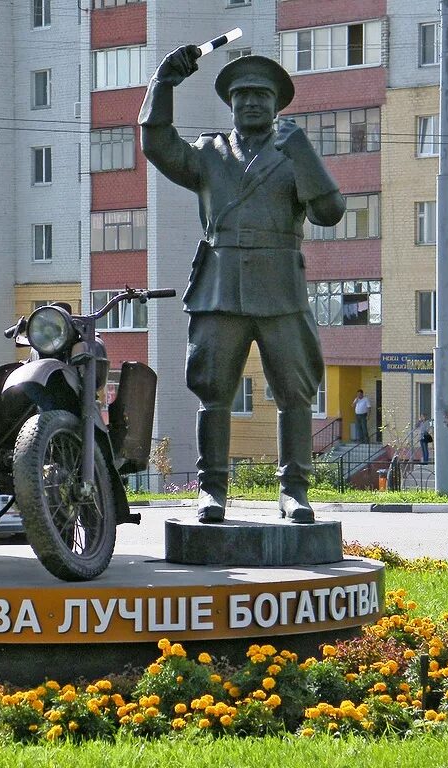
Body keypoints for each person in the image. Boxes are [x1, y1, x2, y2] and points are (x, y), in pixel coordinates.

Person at [139, 48, 345, 524]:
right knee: (213, 390)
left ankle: (295, 492)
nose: (251, 102)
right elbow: (157, 143)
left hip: (281, 290)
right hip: (220, 288)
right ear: (230, 104)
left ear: (277, 104)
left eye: (261, 95)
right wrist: (163, 84)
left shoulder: (293, 149)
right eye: (242, 95)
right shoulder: (210, 153)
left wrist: (304, 154)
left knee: (295, 392)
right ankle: (211, 490)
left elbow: (330, 212)